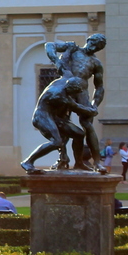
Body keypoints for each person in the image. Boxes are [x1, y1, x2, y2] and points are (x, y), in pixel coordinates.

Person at [46, 33, 106, 171]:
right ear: (88, 40)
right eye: (93, 43)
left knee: (88, 125)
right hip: (65, 88)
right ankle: (62, 159)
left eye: (97, 47)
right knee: (61, 123)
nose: (93, 47)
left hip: (81, 92)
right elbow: (49, 46)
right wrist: (56, 60)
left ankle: (96, 162)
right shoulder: (73, 48)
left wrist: (95, 104)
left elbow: (100, 86)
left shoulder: (96, 63)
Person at [20, 76, 97, 173]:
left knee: (79, 134)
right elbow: (77, 107)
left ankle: (79, 163)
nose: (75, 96)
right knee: (56, 142)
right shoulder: (59, 95)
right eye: (75, 93)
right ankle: (27, 162)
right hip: (42, 117)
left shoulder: (63, 83)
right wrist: (92, 111)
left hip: (55, 117)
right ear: (71, 89)